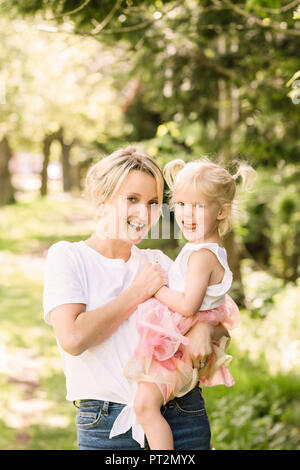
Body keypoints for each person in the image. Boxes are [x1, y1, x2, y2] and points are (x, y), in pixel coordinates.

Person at [43, 146, 227, 450]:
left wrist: (206, 330)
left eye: (153, 202)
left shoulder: (160, 263)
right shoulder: (69, 257)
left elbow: (216, 319)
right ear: (103, 195)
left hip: (179, 417)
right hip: (105, 425)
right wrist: (137, 293)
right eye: (132, 199)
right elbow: (73, 338)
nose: (144, 213)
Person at [124, 157, 257, 450]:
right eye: (181, 204)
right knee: (148, 406)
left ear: (221, 212)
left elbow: (187, 307)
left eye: (198, 206)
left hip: (178, 343)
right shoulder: (204, 250)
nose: (186, 214)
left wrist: (155, 289)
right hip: (186, 339)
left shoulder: (202, 256)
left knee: (145, 407)